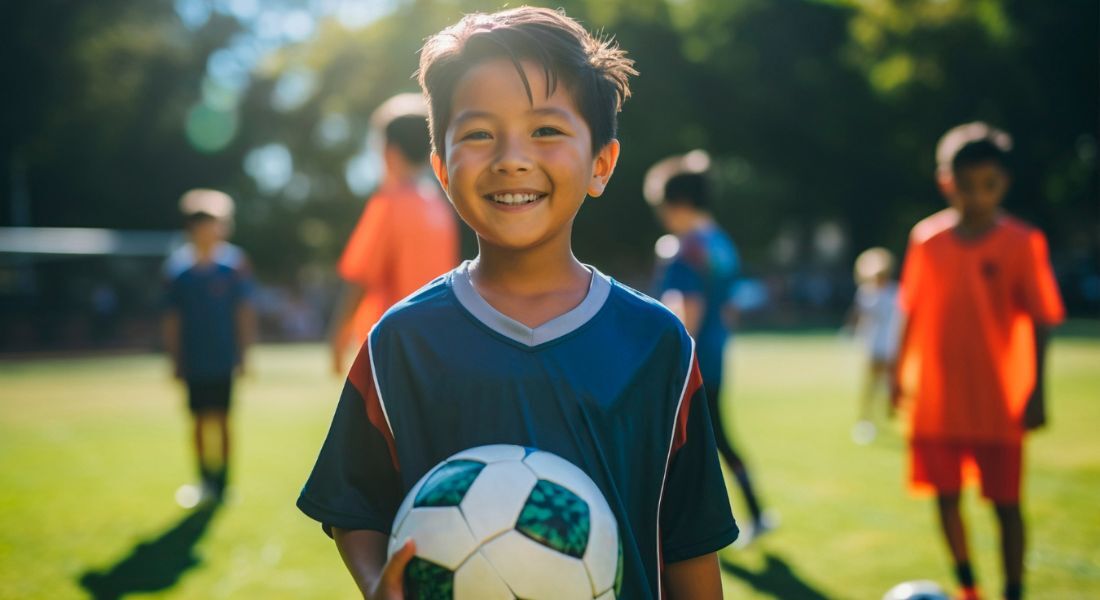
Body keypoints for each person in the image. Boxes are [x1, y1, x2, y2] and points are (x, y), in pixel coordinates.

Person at [297, 7, 738, 599]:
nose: (511, 157)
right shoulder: (399, 341)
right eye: (479, 133)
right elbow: (353, 503)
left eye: (546, 131)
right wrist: (379, 581)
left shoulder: (656, 343)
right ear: (442, 169)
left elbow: (689, 541)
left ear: (601, 164)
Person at [894, 122, 1065, 600]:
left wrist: (1036, 390)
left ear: (1002, 183)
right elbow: (910, 312)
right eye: (965, 186)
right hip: (938, 398)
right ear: (946, 182)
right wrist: (896, 374)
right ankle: (969, 588)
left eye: (986, 186)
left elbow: (1043, 319)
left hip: (999, 400)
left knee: (1006, 505)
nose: (975, 197)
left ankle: (1013, 590)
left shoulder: (1022, 242)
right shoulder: (926, 240)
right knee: (946, 498)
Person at [645, 150, 771, 545]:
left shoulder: (685, 248)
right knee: (716, 439)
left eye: (663, 209)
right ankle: (756, 513)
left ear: (678, 205)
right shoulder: (722, 244)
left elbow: (686, 316)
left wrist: (665, 365)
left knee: (675, 449)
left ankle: (676, 532)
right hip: (716, 358)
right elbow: (729, 309)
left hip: (688, 366)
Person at [329, 93, 459, 375]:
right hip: (435, 344)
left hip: (390, 347)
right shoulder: (440, 205)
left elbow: (358, 279)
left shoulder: (389, 203)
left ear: (389, 151)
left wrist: (337, 342)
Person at [162, 189, 256, 504]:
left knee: (224, 419)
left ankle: (224, 483)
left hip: (222, 359)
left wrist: (244, 355)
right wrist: (174, 359)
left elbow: (243, 313)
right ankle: (203, 481)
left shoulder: (233, 267)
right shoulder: (179, 272)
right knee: (199, 420)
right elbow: (172, 319)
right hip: (194, 360)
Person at [845, 246, 902, 445]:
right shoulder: (866, 293)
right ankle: (866, 420)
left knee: (890, 387)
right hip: (872, 345)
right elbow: (858, 316)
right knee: (870, 386)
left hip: (890, 345)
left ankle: (889, 418)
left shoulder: (896, 292)